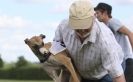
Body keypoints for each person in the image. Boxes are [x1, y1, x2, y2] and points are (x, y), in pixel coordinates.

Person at [49, 0, 126, 82]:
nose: (82, 31)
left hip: (105, 73)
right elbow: (56, 45)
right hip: (83, 72)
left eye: (85, 27)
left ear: (94, 17)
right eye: (77, 28)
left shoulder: (105, 39)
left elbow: (117, 76)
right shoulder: (63, 27)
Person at [94, 2, 133, 71]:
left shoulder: (112, 21)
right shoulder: (104, 27)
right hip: (118, 62)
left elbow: (130, 34)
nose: (96, 16)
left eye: (98, 13)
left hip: (126, 61)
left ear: (105, 13)